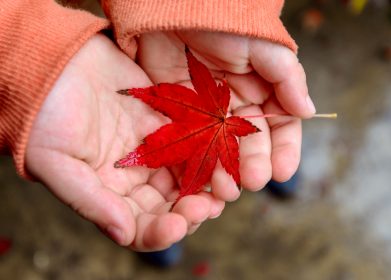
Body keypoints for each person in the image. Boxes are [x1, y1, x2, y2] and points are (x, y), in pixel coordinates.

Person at [0, 0, 316, 252]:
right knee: (158, 204)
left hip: (156, 31)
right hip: (61, 34)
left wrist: (208, 10)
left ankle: (255, 159)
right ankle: (175, 210)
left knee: (257, 132)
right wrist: (28, 57)